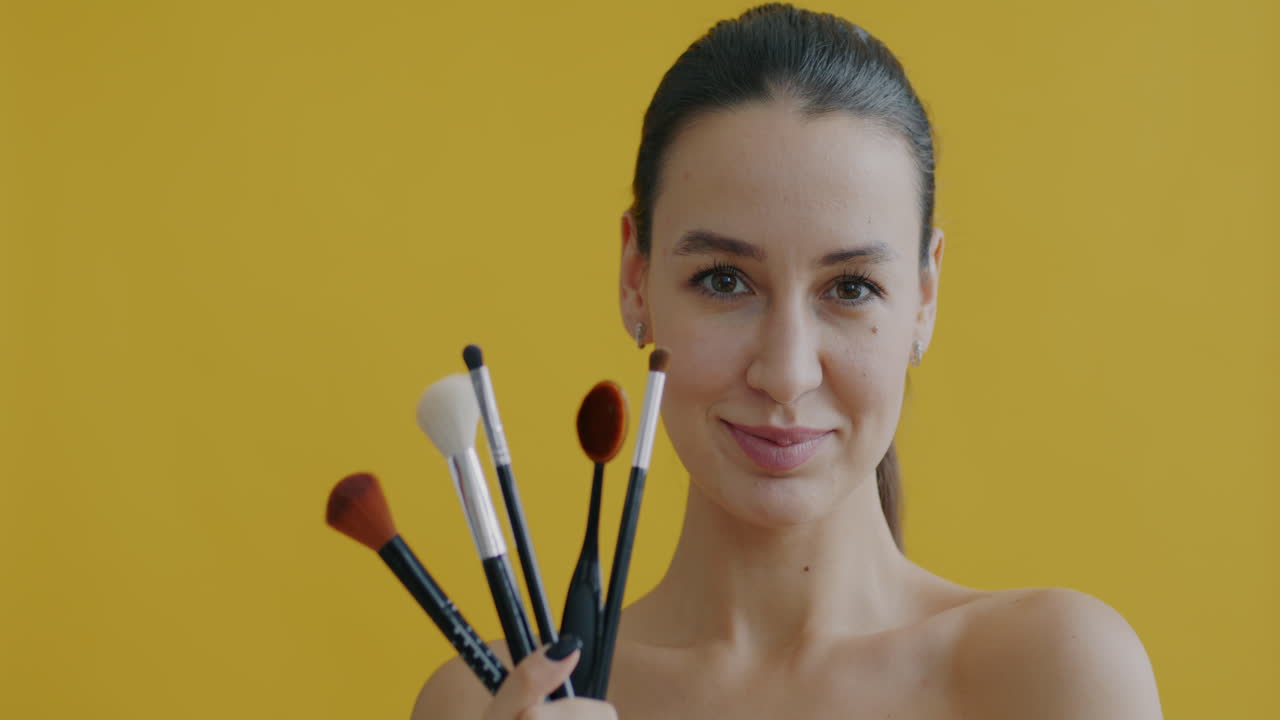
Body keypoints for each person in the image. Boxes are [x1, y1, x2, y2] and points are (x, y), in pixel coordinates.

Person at [414, 4, 1163, 718]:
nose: (787, 372)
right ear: (635, 278)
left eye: (850, 287)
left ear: (924, 297)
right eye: (725, 280)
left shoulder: (1054, 676)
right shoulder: (488, 700)